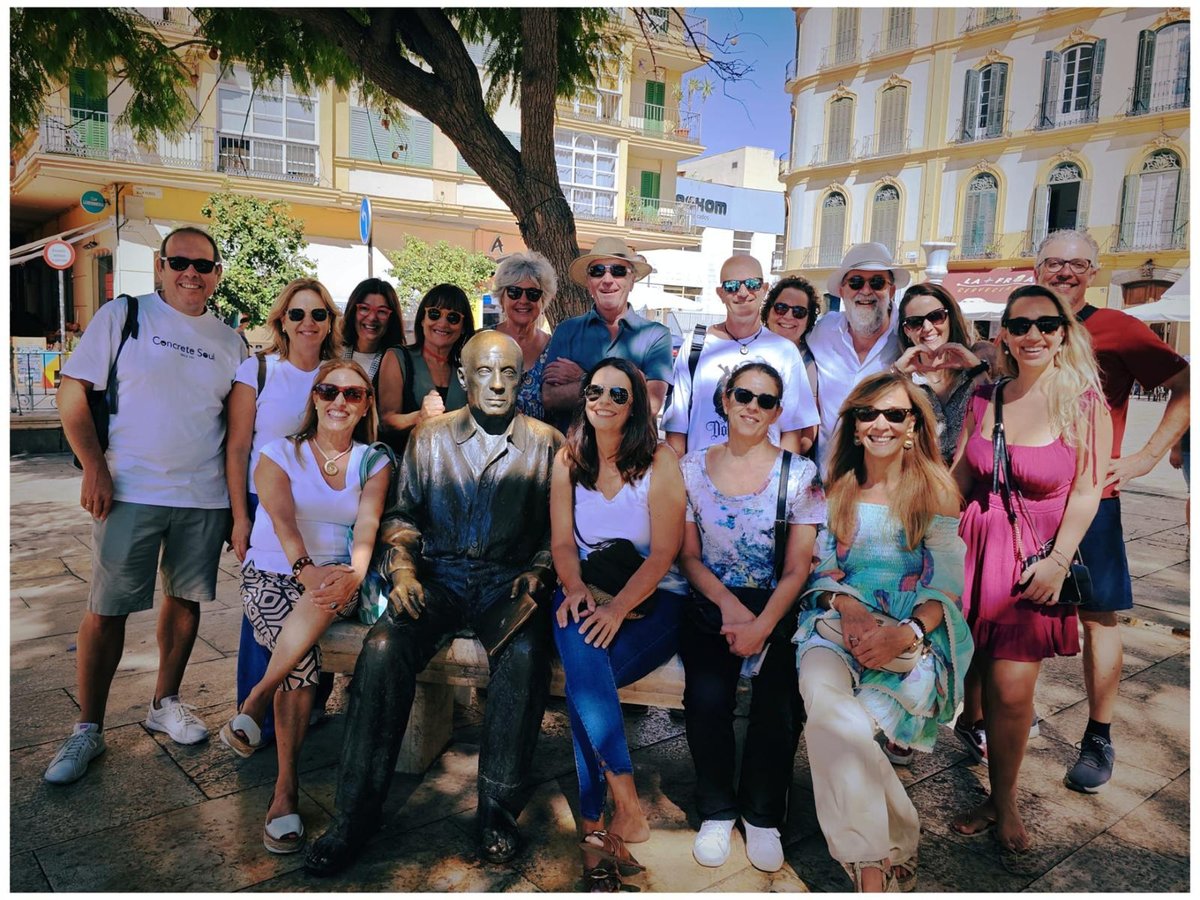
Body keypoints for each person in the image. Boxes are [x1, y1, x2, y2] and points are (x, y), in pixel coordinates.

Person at [304, 331, 564, 877]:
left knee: (524, 656)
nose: (497, 384)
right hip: (438, 578)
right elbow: (402, 516)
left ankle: (497, 809)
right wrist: (401, 569)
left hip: (507, 582)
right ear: (463, 377)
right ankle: (354, 814)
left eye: (510, 373)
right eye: (485, 372)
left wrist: (539, 571)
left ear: (522, 378)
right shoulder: (430, 439)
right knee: (380, 649)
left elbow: (559, 528)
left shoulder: (546, 443)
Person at [46, 226, 247, 784]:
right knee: (107, 609)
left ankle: (166, 703)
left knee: (186, 602)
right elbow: (73, 392)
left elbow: (235, 432)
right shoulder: (123, 315)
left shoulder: (230, 341)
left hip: (201, 498)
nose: (191, 273)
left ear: (217, 276)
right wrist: (95, 467)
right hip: (129, 489)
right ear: (161, 265)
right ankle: (88, 728)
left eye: (203, 265)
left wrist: (236, 507)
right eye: (180, 261)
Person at [949, 284, 1111, 869]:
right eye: (1019, 326)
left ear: (1064, 331)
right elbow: (958, 483)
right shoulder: (983, 399)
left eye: (1046, 323)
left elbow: (1089, 491)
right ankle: (964, 745)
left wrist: (1060, 560)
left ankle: (1005, 800)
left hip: (1033, 559)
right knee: (969, 671)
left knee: (1014, 692)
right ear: (1004, 337)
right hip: (975, 548)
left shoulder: (1086, 402)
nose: (1033, 335)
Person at [794, 371, 970, 892]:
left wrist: (908, 632)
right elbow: (820, 570)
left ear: (914, 425)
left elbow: (947, 582)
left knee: (832, 728)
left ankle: (877, 857)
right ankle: (876, 866)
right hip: (834, 623)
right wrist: (848, 609)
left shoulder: (936, 491)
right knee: (828, 707)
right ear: (852, 426)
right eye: (868, 414)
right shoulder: (834, 490)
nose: (881, 424)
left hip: (911, 636)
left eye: (896, 414)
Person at [1035, 229, 1188, 792]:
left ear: (1093, 271)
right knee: (1009, 610)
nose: (1065, 273)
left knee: (1098, 617)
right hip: (1027, 498)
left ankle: (1098, 736)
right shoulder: (1020, 323)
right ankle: (1002, 715)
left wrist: (1148, 454)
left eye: (1077, 264)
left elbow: (1185, 382)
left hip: (1093, 497)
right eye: (1054, 263)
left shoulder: (1118, 327)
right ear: (1037, 268)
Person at [220, 360, 391, 854]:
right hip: (274, 568)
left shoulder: (373, 460)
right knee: (303, 665)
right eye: (329, 390)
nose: (340, 401)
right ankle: (284, 789)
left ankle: (255, 701)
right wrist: (305, 569)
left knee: (326, 593)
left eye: (353, 394)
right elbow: (282, 520)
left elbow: (367, 524)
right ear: (315, 398)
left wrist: (355, 572)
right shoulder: (279, 452)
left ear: (365, 406)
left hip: (339, 572)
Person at [677, 362, 824, 874]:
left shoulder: (799, 474)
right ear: (724, 399)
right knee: (705, 696)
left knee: (779, 703)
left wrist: (761, 625)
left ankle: (763, 813)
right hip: (714, 600)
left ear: (778, 412)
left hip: (777, 603)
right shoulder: (691, 468)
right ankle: (717, 807)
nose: (752, 407)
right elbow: (689, 557)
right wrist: (730, 608)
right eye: (743, 395)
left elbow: (798, 566)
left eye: (765, 401)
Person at [550, 357, 689, 891]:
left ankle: (597, 826)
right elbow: (563, 543)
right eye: (594, 390)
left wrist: (615, 607)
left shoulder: (659, 460)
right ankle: (620, 808)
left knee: (587, 672)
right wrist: (579, 588)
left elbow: (665, 555)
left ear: (636, 405)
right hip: (589, 588)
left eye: (618, 393)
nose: (603, 400)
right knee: (578, 639)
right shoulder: (569, 458)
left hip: (655, 601)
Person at [226, 278, 340, 747]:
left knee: (314, 604)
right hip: (267, 506)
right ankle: (257, 719)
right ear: (282, 321)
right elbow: (236, 449)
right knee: (266, 608)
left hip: (325, 506)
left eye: (318, 314)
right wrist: (239, 517)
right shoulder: (258, 371)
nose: (308, 323)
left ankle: (306, 710)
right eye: (298, 314)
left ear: (330, 321)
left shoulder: (339, 375)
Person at [662, 256, 818, 457]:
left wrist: (778, 483)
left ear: (764, 289)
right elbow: (677, 424)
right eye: (732, 286)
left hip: (762, 483)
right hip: (701, 480)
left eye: (752, 284)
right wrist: (680, 479)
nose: (743, 293)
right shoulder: (695, 345)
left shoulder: (785, 352)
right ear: (720, 293)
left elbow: (792, 430)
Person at [541, 237, 673, 431]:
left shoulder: (657, 335)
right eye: (597, 271)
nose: (607, 280)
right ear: (588, 282)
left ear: (632, 280)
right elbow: (550, 398)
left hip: (631, 457)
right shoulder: (566, 330)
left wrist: (584, 378)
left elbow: (651, 404)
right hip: (574, 456)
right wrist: (632, 385)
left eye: (618, 271)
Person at [807, 242, 908, 471]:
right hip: (827, 481)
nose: (865, 290)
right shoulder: (823, 331)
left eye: (877, 282)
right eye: (855, 282)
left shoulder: (908, 333)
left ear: (891, 291)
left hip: (886, 484)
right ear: (842, 291)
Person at [892, 281, 993, 464]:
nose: (928, 327)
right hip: (919, 486)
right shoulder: (903, 379)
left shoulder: (976, 369)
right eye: (915, 322)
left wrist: (976, 369)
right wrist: (898, 375)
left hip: (972, 486)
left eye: (936, 317)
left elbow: (996, 416)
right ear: (907, 330)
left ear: (950, 318)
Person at [377, 283, 475, 452]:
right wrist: (419, 416)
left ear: (463, 327)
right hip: (409, 465)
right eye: (434, 314)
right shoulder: (398, 358)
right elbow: (386, 421)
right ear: (422, 319)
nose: (442, 323)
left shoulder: (466, 367)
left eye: (453, 317)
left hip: (455, 469)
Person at [491, 251, 555, 421]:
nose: (524, 300)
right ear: (501, 297)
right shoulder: (482, 342)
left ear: (543, 300)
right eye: (514, 292)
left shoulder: (555, 348)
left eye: (533, 294)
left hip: (541, 445)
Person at [336, 277, 406, 392]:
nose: (372, 317)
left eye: (382, 311)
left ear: (391, 319)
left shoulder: (398, 362)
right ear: (353, 312)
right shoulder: (333, 355)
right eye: (364, 308)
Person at [762, 274, 821, 407]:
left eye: (799, 312)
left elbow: (810, 424)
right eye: (781, 308)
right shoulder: (747, 348)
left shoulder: (809, 364)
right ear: (768, 311)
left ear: (808, 321)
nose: (788, 316)